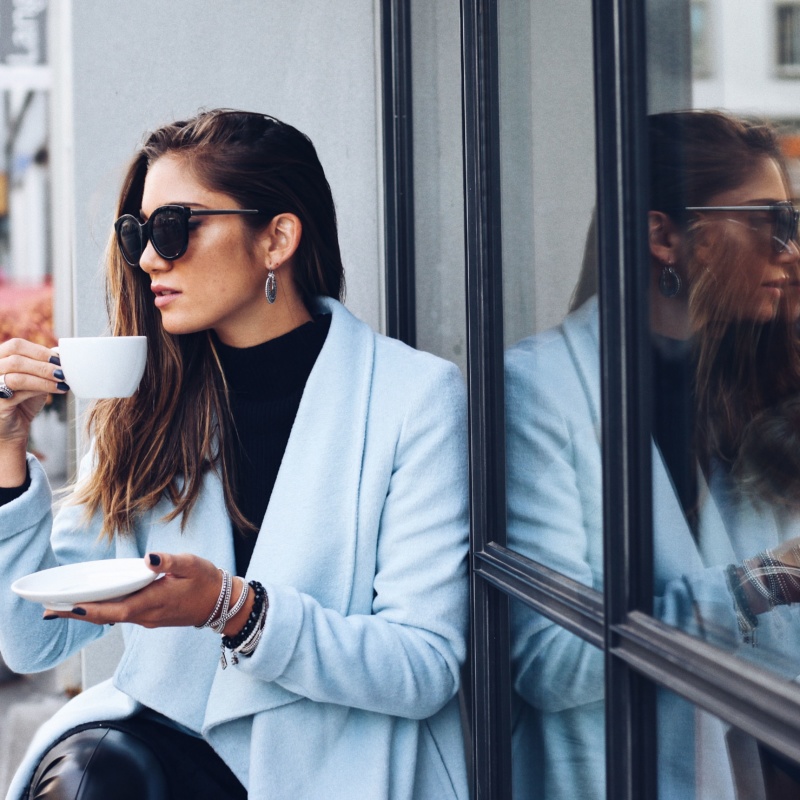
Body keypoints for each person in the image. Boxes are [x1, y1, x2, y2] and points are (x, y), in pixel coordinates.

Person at [0, 109, 469, 800]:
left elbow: (424, 667)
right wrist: (9, 456)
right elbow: (30, 643)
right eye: (139, 234)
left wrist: (235, 611)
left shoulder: (413, 398)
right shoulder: (144, 403)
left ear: (276, 237)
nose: (152, 258)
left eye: (175, 227)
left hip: (336, 767)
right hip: (161, 763)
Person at [505, 109, 800, 800]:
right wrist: (756, 584)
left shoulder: (753, 385)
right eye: (767, 220)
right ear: (663, 235)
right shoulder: (540, 388)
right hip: (620, 774)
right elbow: (547, 664)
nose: (788, 247)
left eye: (793, 221)